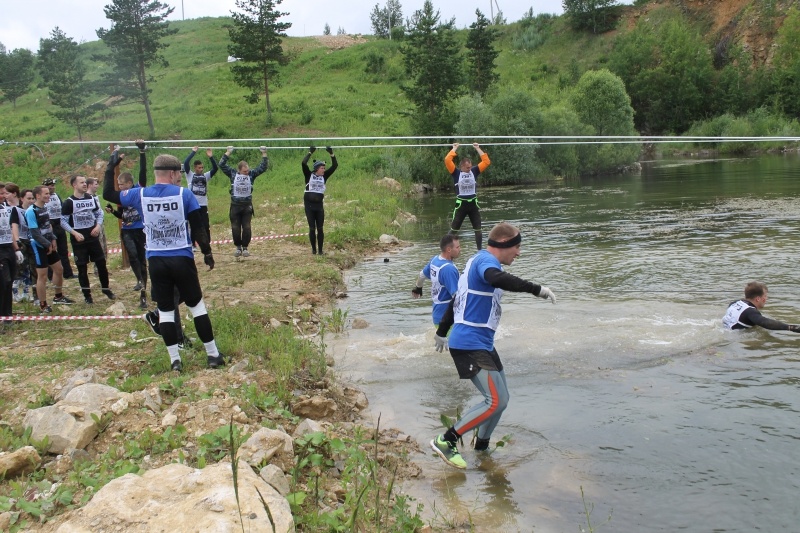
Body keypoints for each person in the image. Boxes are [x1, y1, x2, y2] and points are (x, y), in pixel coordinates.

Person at [430, 222, 556, 469]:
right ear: (504, 245)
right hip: (469, 344)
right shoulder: (486, 263)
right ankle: (447, 440)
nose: (518, 253)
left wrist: (442, 331)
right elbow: (495, 278)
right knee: (495, 401)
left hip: (481, 343)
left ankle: (482, 448)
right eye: (517, 247)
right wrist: (536, 289)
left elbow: (457, 300)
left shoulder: (476, 261)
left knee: (503, 399)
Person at [103, 148, 224, 372]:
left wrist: (110, 168)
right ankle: (213, 355)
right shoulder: (184, 194)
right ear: (170, 173)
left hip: (157, 260)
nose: (179, 177)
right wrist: (207, 253)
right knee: (197, 307)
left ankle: (175, 361)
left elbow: (109, 194)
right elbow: (198, 228)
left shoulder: (141, 194)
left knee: (166, 311)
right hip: (181, 257)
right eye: (178, 173)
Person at [105, 145, 149, 308]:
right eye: (118, 184)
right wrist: (113, 212)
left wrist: (142, 152)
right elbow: (123, 215)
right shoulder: (122, 197)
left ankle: (144, 288)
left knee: (142, 259)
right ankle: (139, 280)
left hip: (140, 229)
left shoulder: (139, 190)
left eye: (122, 184)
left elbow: (143, 172)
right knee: (133, 257)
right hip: (127, 230)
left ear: (130, 183)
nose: (120, 187)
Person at [61, 175, 115, 305]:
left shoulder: (91, 198)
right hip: (79, 239)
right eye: (82, 183)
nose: (85, 185)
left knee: (101, 263)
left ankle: (106, 288)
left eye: (85, 182)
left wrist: (97, 226)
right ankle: (87, 295)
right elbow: (63, 221)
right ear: (74, 185)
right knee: (82, 268)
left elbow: (99, 213)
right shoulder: (69, 202)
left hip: (92, 236)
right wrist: (73, 233)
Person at [26, 186, 74, 313]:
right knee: (42, 275)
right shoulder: (31, 211)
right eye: (46, 194)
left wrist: (53, 240)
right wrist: (47, 244)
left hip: (49, 243)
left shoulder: (45, 208)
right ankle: (43, 304)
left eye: (48, 193)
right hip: (38, 245)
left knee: (59, 269)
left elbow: (48, 226)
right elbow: (35, 233)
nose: (48, 196)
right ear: (38, 196)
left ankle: (58, 296)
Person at [218, 145, 268, 257]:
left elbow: (263, 167)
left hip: (247, 206)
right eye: (244, 171)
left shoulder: (251, 174)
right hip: (235, 206)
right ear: (239, 170)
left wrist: (264, 153)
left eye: (247, 171)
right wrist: (227, 153)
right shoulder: (232, 173)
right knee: (235, 228)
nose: (246, 172)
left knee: (247, 227)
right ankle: (238, 247)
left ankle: (245, 247)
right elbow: (221, 164)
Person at [445, 142, 491, 250]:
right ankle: (445, 248)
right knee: (454, 230)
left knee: (478, 229)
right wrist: (454, 148)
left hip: (473, 205)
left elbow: (486, 162)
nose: (469, 169)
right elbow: (447, 160)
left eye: (470, 167)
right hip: (461, 206)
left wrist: (478, 148)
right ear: (461, 166)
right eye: (467, 168)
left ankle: (480, 251)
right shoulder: (455, 173)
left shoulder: (474, 171)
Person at [411, 234, 461, 326]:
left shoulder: (435, 260)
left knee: (441, 340)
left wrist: (418, 288)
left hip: (437, 315)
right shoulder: (449, 269)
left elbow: (422, 275)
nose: (460, 249)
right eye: (457, 247)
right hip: (449, 319)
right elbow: (457, 297)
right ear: (449, 250)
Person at [301, 146, 338, 255]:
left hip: (319, 207)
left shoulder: (324, 176)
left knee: (320, 228)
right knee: (312, 228)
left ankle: (321, 251)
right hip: (309, 206)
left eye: (324, 168)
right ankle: (313, 250)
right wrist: (310, 152)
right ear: (317, 168)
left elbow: (335, 165)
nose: (324, 170)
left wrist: (331, 153)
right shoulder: (309, 175)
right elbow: (303, 163)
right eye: (322, 168)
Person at [723, 281, 800, 332]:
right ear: (758, 299)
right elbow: (765, 323)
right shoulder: (750, 312)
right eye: (765, 296)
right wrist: (791, 327)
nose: (766, 298)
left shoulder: (734, 303)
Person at [183, 146, 218, 244]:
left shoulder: (205, 176)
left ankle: (207, 243)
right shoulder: (190, 175)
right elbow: (186, 163)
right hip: (192, 205)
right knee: (194, 225)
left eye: (202, 167)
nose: (201, 169)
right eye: (199, 167)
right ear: (195, 168)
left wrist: (211, 157)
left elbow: (215, 169)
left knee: (205, 225)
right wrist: (193, 152)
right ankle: (193, 243)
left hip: (203, 205)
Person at [42, 178, 75, 279]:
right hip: (49, 225)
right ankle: (51, 275)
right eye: (50, 185)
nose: (52, 187)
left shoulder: (57, 196)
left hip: (59, 224)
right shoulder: (42, 198)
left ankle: (68, 273)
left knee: (63, 250)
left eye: (53, 185)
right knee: (50, 250)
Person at [10, 188, 36, 303]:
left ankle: (27, 292)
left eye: (32, 198)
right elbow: (14, 227)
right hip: (21, 240)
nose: (31, 201)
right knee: (20, 269)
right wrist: (17, 242)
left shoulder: (34, 210)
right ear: (21, 199)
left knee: (32, 269)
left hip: (32, 241)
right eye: (28, 198)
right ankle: (15, 292)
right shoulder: (16, 210)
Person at [0, 183, 21, 321]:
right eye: (1, 194)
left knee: (9, 282)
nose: (3, 196)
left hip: (8, 247)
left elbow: (9, 229)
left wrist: (17, 249)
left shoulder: (5, 208)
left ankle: (8, 315)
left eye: (4, 193)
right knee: (3, 281)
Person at [86, 177, 107, 257]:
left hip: (101, 223)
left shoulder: (95, 196)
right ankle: (97, 268)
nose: (97, 186)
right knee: (99, 246)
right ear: (90, 185)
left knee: (103, 245)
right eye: (95, 184)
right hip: (95, 225)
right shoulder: (87, 197)